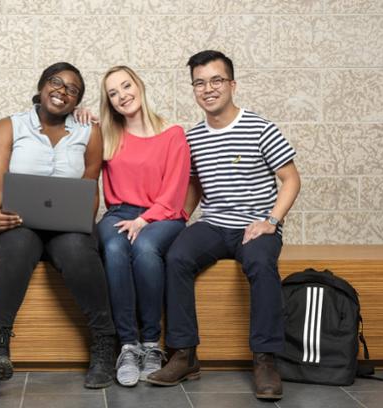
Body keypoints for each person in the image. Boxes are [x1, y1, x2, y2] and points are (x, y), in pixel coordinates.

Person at [146, 50, 301, 401]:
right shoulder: (193, 136)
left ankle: (264, 359)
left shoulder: (260, 127)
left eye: (216, 80)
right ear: (194, 89)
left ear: (231, 84)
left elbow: (290, 179)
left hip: (255, 225)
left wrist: (271, 221)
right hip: (214, 223)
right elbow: (195, 186)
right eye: (199, 83)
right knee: (177, 257)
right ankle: (184, 354)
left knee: (261, 263)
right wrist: (179, 220)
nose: (208, 89)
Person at [0, 62, 116, 396]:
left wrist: (82, 219)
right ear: (41, 86)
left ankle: (104, 342)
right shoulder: (9, 126)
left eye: (72, 89)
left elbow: (89, 182)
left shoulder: (89, 131)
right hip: (18, 220)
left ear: (77, 100)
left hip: (66, 223)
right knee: (17, 247)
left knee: (78, 251)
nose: (62, 91)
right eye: (56, 82)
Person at [96, 66, 190, 387]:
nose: (122, 95)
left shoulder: (172, 133)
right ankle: (128, 345)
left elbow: (177, 190)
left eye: (126, 86)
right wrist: (80, 114)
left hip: (163, 213)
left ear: (139, 85)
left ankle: (151, 344)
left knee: (146, 248)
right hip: (119, 212)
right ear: (109, 102)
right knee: (113, 247)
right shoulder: (109, 135)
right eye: (113, 93)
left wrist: (144, 220)